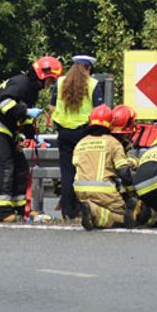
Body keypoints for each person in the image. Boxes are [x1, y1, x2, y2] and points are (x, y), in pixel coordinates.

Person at [0, 56, 63, 221]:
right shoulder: (22, 83)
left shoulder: (31, 89)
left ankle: (20, 210)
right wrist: (25, 111)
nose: (50, 84)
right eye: (51, 80)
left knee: (21, 168)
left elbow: (22, 119)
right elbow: (4, 104)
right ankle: (2, 213)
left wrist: (29, 135)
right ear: (42, 75)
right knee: (5, 167)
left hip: (8, 130)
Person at [49, 54, 105, 220]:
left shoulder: (60, 83)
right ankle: (82, 208)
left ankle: (68, 211)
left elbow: (52, 106)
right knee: (84, 171)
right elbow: (98, 111)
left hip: (64, 133)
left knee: (67, 172)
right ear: (88, 68)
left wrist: (62, 118)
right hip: (84, 132)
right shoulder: (93, 84)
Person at [71, 105, 137, 230]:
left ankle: (92, 209)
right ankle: (97, 213)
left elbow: (75, 166)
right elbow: (123, 172)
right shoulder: (112, 142)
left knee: (101, 205)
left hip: (80, 191)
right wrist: (131, 192)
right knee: (127, 217)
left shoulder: (81, 143)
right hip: (104, 191)